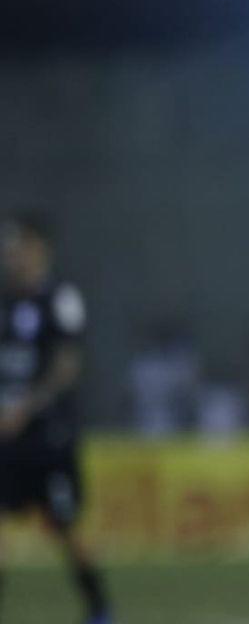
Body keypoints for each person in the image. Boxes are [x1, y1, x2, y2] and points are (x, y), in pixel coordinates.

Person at [0, 212, 112, 624]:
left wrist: (26, 407)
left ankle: (99, 609)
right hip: (7, 438)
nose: (11, 256)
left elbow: (67, 365)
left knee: (67, 527)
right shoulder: (6, 303)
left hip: (50, 436)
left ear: (39, 249)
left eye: (18, 247)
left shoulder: (60, 298)